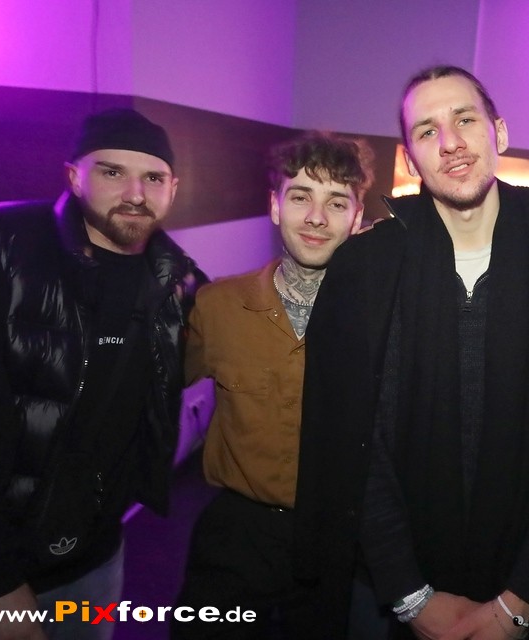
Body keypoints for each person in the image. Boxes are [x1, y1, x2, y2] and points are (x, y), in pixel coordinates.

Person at [292, 65, 529, 639]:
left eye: (465, 120)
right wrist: (411, 597)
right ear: (411, 158)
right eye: (427, 130)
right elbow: (353, 447)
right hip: (403, 590)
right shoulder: (366, 268)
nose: (451, 142)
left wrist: (520, 599)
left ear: (499, 132)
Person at [0, 108, 206, 640]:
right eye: (112, 172)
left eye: (153, 178)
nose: (135, 194)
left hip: (96, 555)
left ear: (173, 188)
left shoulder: (178, 280)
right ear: (74, 176)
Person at [170, 131, 378, 639]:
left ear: (357, 218)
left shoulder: (382, 318)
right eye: (301, 196)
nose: (316, 217)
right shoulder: (218, 306)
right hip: (237, 537)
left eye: (336, 202)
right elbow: (148, 388)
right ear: (275, 206)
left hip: (338, 541)